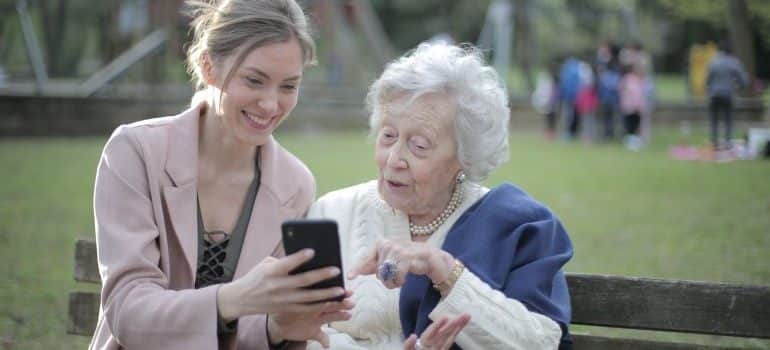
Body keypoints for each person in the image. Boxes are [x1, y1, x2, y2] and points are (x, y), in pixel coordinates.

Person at [90, 1, 354, 349]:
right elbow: (127, 312)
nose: (271, 105)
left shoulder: (295, 185)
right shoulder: (135, 152)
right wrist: (231, 299)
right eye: (254, 80)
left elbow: (251, 330)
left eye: (289, 86)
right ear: (208, 67)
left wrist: (277, 328)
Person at [308, 42, 574, 350]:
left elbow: (542, 343)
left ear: (465, 157)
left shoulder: (515, 225)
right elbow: (302, 332)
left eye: (419, 145)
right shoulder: (333, 213)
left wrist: (445, 271)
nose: (394, 158)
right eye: (388, 135)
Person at [706, 39, 750, 150]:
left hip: (714, 94)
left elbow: (708, 80)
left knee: (714, 119)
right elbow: (744, 81)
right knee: (728, 119)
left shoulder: (713, 62)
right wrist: (737, 87)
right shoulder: (734, 62)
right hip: (728, 94)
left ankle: (715, 143)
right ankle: (727, 142)